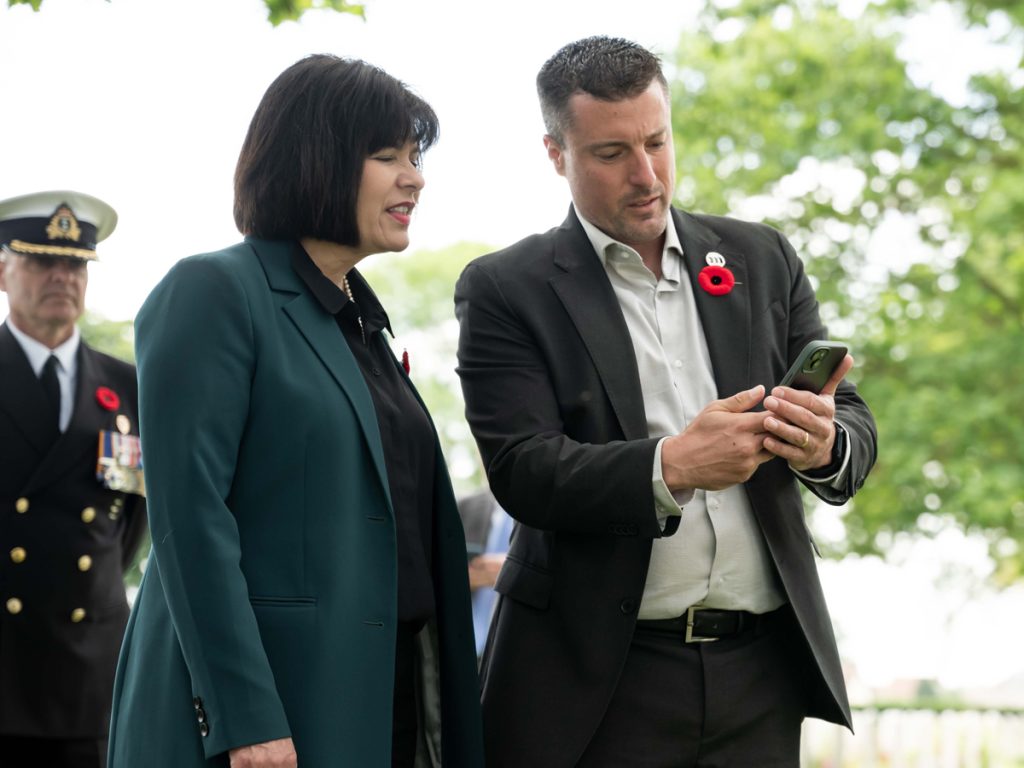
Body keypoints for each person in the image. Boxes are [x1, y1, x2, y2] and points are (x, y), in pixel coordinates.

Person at [454, 36, 878, 767]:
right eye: (612, 153)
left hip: (761, 678)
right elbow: (523, 470)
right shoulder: (505, 288)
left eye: (657, 140)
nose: (647, 175)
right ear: (556, 153)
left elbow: (855, 422)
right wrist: (673, 464)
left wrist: (824, 444)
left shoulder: (761, 258)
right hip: (597, 685)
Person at [107, 55, 484, 768]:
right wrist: (244, 717)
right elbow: (190, 521)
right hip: (267, 714)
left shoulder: (362, 322)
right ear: (316, 160)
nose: (415, 177)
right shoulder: (214, 291)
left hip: (386, 697)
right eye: (387, 155)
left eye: (415, 156)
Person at [0, 190, 148, 768]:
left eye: (75, 265)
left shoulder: (127, 386)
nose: (61, 276)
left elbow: (128, 524)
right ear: (5, 271)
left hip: (90, 674)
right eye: (42, 261)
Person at [456, 489, 511, 657]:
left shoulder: (552, 512)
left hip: (516, 651)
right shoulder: (465, 506)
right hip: (463, 647)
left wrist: (512, 571)